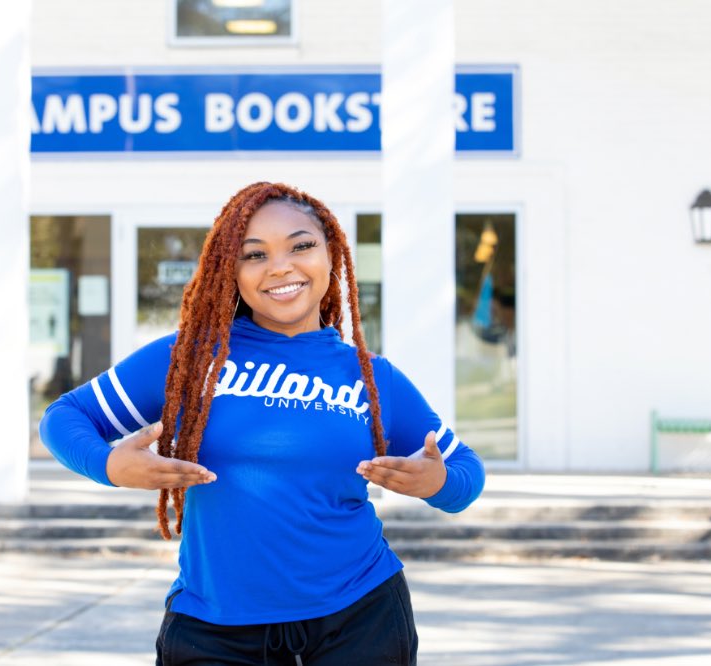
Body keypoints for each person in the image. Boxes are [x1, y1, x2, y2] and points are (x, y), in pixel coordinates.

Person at [39, 182, 486, 665]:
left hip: (359, 617)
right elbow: (64, 417)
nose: (280, 266)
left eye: (302, 245)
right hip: (213, 628)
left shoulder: (371, 378)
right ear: (229, 270)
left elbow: (466, 473)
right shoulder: (190, 358)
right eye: (254, 255)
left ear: (332, 254)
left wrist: (436, 481)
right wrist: (107, 464)